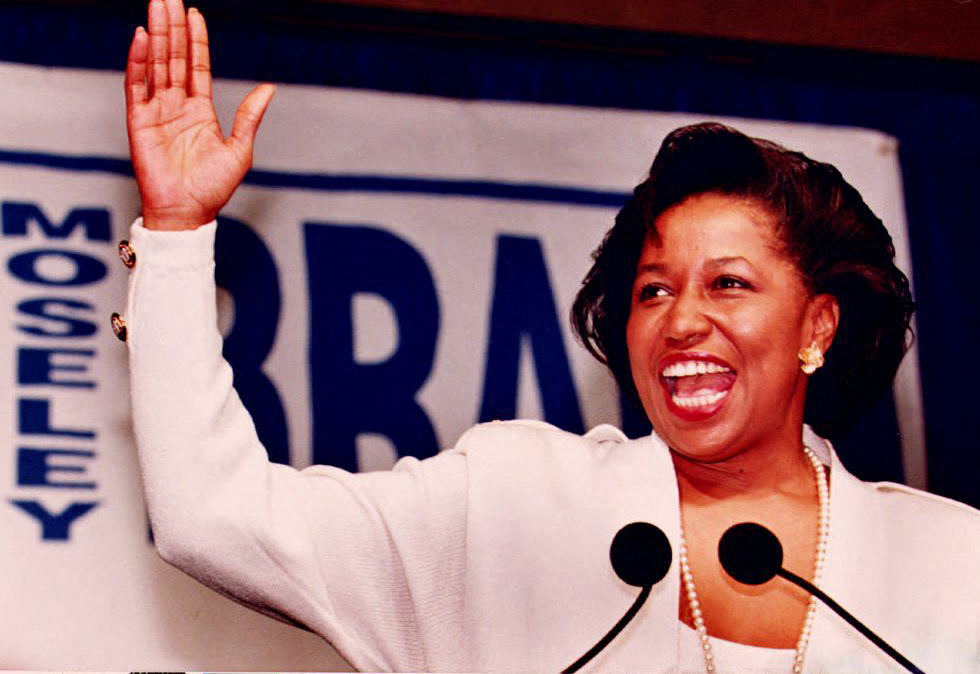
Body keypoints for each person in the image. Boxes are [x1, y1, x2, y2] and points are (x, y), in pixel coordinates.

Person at [122, 1, 979, 672]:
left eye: (728, 283)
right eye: (652, 290)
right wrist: (173, 234)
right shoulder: (511, 510)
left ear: (817, 325)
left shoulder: (949, 564)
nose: (681, 320)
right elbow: (213, 518)